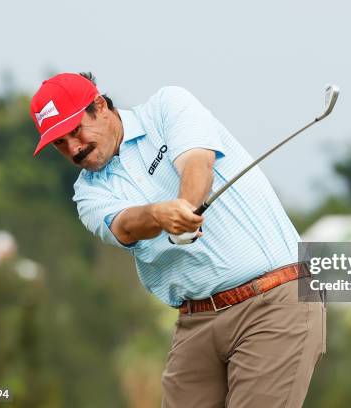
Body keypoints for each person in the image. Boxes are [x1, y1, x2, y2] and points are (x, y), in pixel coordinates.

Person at [30, 72, 325, 407]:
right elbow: (125, 226)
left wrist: (185, 207)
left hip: (273, 300)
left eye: (74, 131)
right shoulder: (87, 194)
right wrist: (158, 214)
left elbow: (197, 163)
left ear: (99, 106)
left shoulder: (167, 106)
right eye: (60, 144)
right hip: (196, 321)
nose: (74, 149)